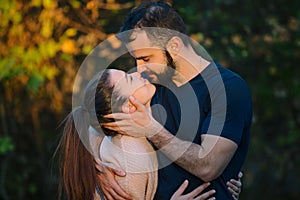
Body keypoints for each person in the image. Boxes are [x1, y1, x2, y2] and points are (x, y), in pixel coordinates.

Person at [101, 1, 252, 200]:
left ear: (174, 45)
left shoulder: (227, 88)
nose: (139, 69)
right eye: (135, 59)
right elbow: (96, 115)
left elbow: (208, 166)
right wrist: (97, 167)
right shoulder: (149, 87)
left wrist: (151, 129)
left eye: (146, 58)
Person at [56, 69, 217, 200]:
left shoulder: (125, 138)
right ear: (128, 107)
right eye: (130, 79)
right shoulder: (130, 158)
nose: (138, 73)